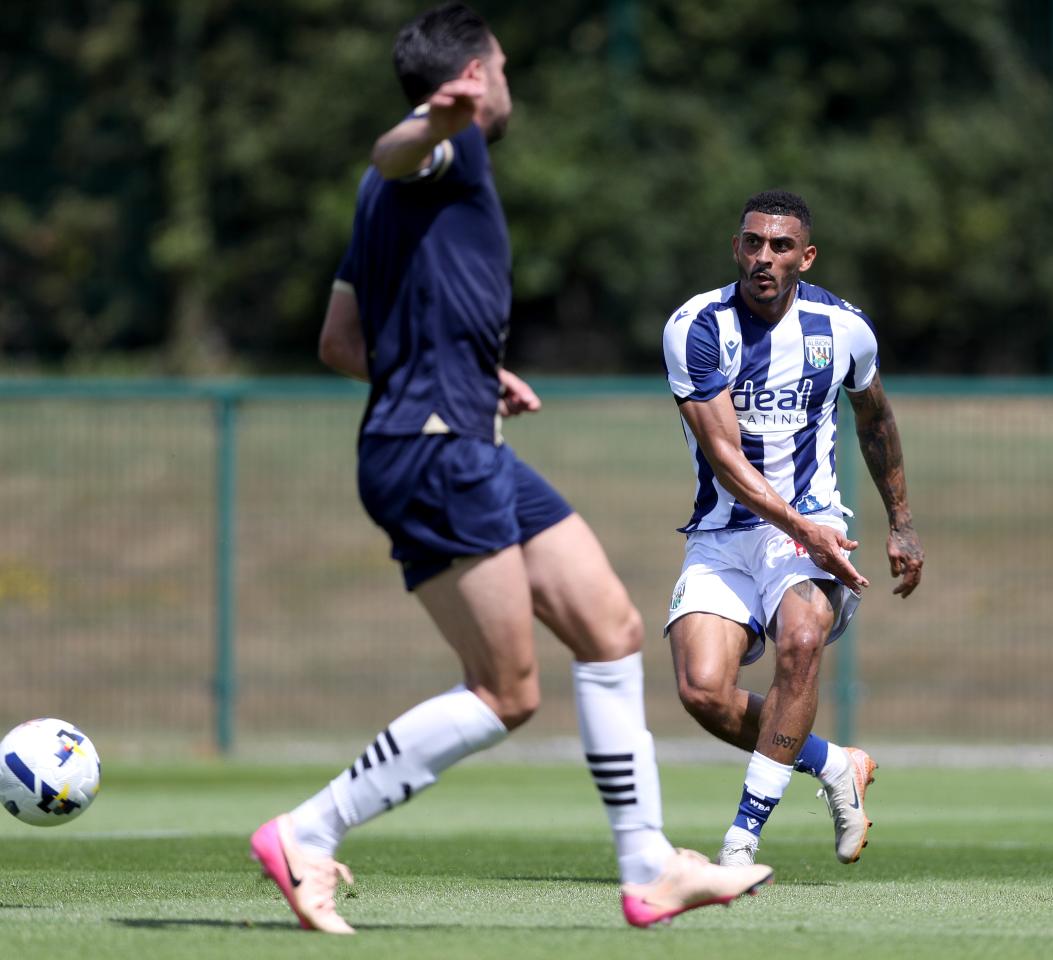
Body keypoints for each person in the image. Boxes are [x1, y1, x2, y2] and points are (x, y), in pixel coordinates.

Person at [249, 3, 772, 934]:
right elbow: (391, 153)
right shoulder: (447, 152)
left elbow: (339, 340)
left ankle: (650, 865)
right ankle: (308, 831)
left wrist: (461, 367)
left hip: (455, 437)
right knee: (506, 691)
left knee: (610, 627)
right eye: (502, 67)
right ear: (476, 77)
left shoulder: (387, 204)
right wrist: (438, 124)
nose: (507, 81)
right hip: (434, 454)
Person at [661, 190, 924, 868]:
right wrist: (796, 524)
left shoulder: (843, 329)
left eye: (781, 247)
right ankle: (835, 764)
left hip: (809, 532)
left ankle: (742, 840)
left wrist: (901, 525)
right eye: (753, 243)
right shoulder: (697, 325)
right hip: (723, 531)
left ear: (806, 257)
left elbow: (876, 421)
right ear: (736, 248)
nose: (764, 258)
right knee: (702, 692)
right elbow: (724, 456)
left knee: (801, 640)